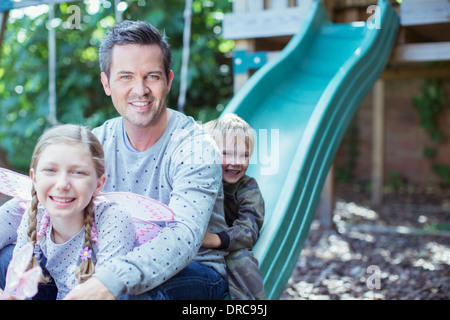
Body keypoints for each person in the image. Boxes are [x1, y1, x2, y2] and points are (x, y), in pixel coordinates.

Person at [0, 20, 228, 300]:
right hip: (100, 259)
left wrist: (108, 282)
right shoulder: (97, 141)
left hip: (190, 271)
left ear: (168, 81)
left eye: (152, 77)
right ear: (106, 83)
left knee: (126, 292)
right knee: (12, 260)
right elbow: (34, 202)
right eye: (126, 77)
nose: (140, 89)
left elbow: (182, 238)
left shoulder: (195, 147)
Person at [3, 124, 136, 299]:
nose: (62, 184)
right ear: (34, 179)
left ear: (99, 184)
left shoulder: (113, 219)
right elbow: (17, 286)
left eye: (78, 172)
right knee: (6, 257)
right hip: (63, 292)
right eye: (50, 170)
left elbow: (106, 291)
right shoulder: (36, 214)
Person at [202, 113, 266, 300]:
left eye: (244, 155)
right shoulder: (201, 179)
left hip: (228, 243)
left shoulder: (248, 188)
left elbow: (248, 231)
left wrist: (214, 239)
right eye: (227, 153)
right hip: (200, 248)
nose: (236, 161)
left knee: (241, 259)